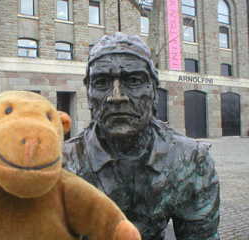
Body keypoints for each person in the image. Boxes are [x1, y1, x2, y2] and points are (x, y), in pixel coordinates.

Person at [62, 32, 220, 240]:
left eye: (134, 81)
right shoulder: (63, 164)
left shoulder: (190, 162)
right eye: (101, 82)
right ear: (89, 95)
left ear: (154, 91)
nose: (116, 97)